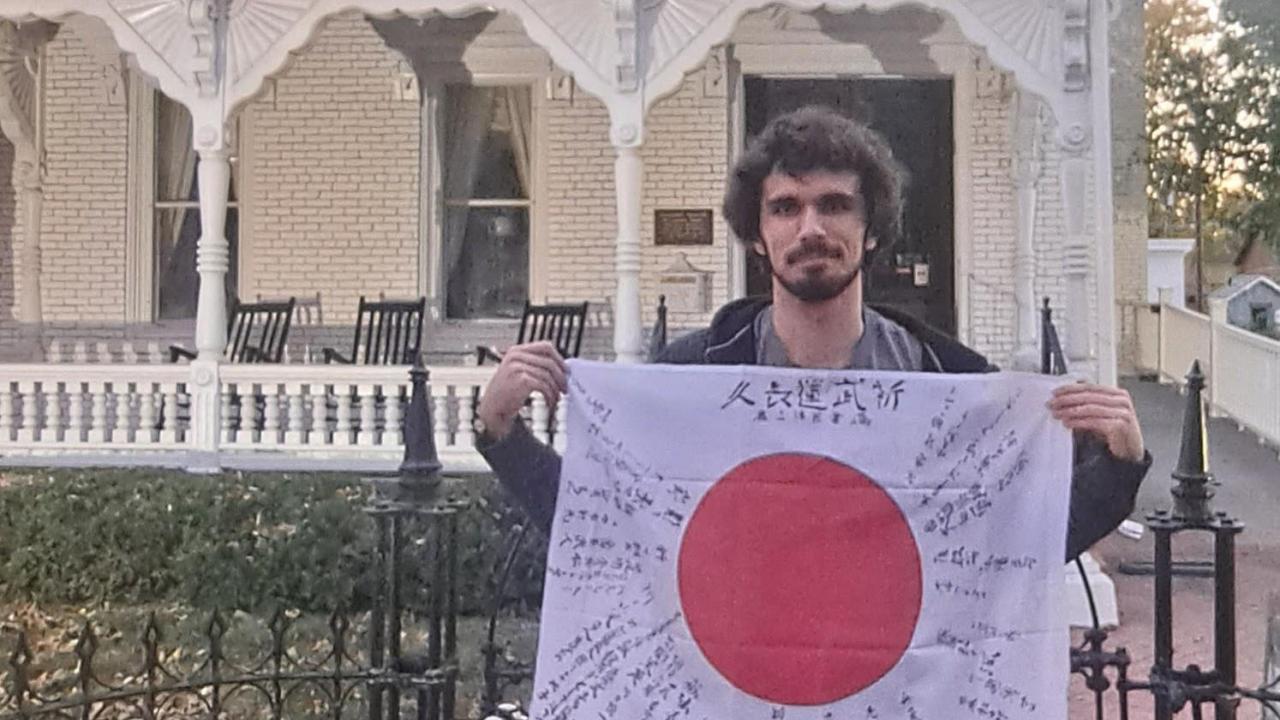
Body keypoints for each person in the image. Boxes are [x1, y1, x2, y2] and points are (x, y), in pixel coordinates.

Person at [473, 106, 1150, 559]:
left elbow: (1015, 550)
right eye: (785, 208)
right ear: (756, 235)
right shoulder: (694, 378)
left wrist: (1118, 469)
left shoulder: (946, 384)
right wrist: (503, 433)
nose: (811, 229)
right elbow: (611, 531)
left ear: (873, 227)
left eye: (835, 205)